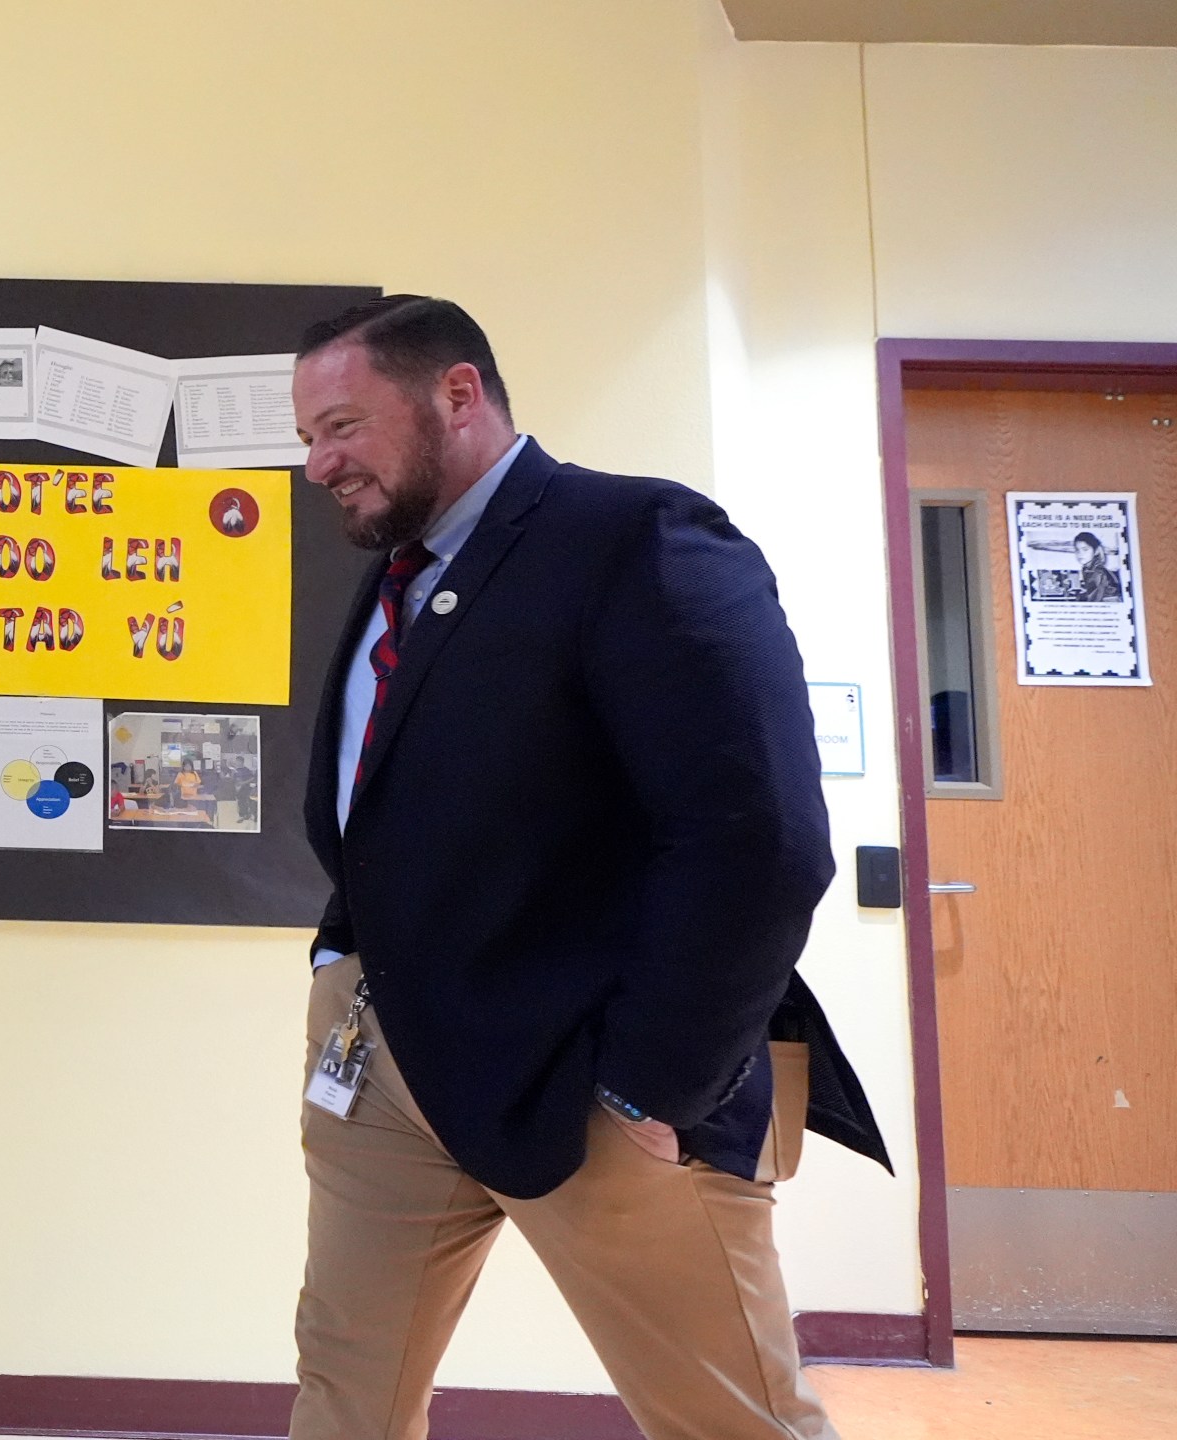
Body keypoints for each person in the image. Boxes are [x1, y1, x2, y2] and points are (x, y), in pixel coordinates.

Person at [288, 296, 890, 1440]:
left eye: (342, 428)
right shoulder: (396, 577)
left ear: (456, 394)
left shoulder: (638, 540)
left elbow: (754, 836)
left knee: (728, 1422)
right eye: (309, 438)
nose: (318, 464)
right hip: (386, 1065)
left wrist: (655, 1083)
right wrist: (339, 959)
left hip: (601, 1083)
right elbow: (396, 811)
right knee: (344, 1397)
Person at [1072, 530, 1124, 602]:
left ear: (1096, 551)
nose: (1080, 553)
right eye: (1077, 550)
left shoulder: (1097, 572)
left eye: (1085, 549)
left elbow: (1094, 600)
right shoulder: (1088, 568)